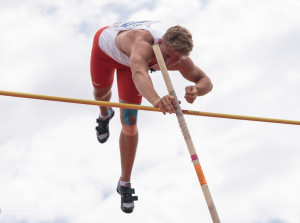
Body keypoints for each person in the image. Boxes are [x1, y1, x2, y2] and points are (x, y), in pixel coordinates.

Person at [90, 21, 213, 213]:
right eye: (166, 56)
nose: (170, 62)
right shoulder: (143, 44)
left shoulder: (178, 58)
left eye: (176, 59)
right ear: (161, 42)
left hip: (130, 66)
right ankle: (104, 115)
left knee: (129, 123)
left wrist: (196, 90)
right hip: (106, 52)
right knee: (101, 94)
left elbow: (205, 81)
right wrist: (156, 100)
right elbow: (139, 73)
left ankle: (124, 183)